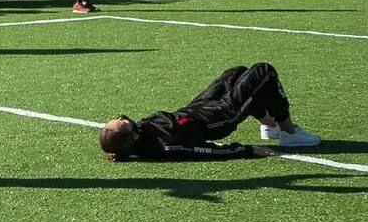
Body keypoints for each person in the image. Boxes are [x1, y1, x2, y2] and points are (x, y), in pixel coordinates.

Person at [99, 64, 320, 160]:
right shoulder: (167, 145)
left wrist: (116, 151)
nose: (123, 118)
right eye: (125, 122)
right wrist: (248, 150)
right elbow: (205, 151)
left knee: (237, 73)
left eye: (120, 118)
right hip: (218, 117)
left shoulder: (133, 138)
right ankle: (289, 133)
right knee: (264, 72)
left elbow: (120, 145)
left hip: (194, 109)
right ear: (134, 136)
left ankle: (269, 126)